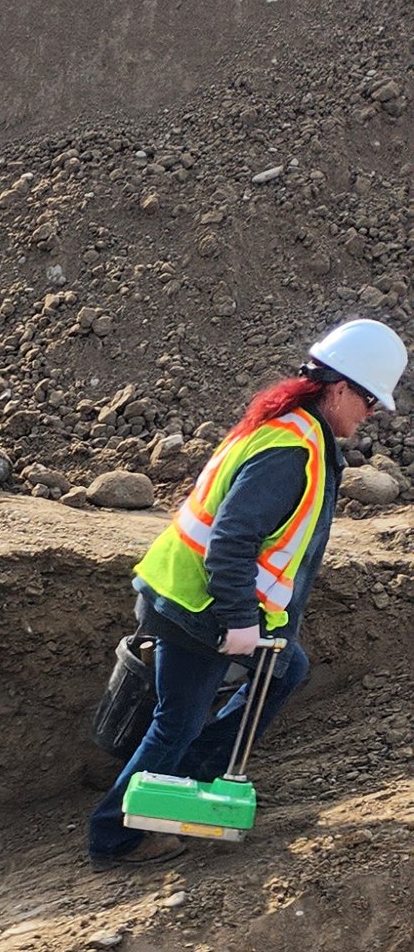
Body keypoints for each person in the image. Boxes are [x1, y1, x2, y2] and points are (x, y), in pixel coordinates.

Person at [88, 315, 405, 865]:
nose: (371, 413)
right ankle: (115, 837)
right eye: (369, 401)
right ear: (340, 388)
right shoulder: (292, 450)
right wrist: (237, 619)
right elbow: (232, 540)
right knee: (176, 721)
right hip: (199, 606)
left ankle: (185, 779)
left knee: (288, 668)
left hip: (201, 596)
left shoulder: (291, 427)